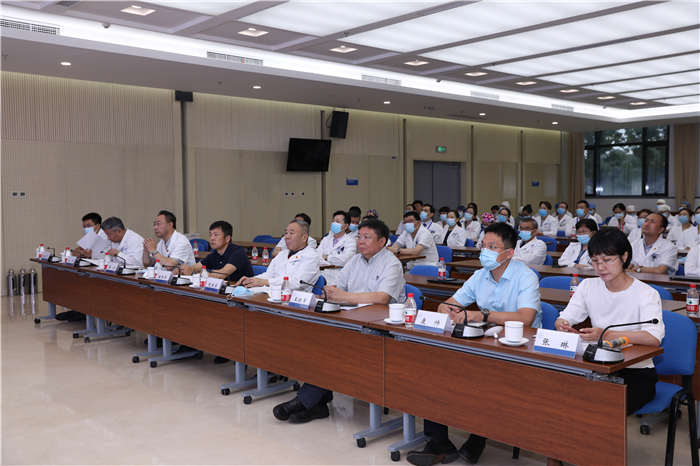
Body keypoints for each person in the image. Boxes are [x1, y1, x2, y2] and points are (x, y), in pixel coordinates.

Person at [406, 223, 541, 466]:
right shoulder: (480, 275)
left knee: (483, 380)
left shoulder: (525, 276)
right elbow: (449, 303)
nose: (484, 251)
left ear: (509, 253)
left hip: (519, 349)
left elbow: (525, 318)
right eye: (483, 245)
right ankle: (439, 443)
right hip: (483, 342)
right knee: (433, 369)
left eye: (492, 247)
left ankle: (477, 441)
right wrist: (448, 309)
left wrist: (483, 315)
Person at [272, 219, 405, 424]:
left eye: (367, 237)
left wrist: (345, 297)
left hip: (381, 329)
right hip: (351, 320)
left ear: (382, 242)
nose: (360, 241)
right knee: (318, 342)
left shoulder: (392, 264)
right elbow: (339, 287)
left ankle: (305, 401)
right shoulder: (355, 260)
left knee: (332, 349)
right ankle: (316, 403)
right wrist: (330, 292)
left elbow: (382, 298)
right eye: (359, 236)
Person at [551, 228, 664, 466]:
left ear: (624, 257)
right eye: (595, 261)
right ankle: (558, 455)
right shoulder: (588, 286)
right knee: (556, 400)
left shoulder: (646, 293)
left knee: (599, 411)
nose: (600, 267)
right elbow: (567, 316)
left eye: (607, 260)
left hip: (635, 373)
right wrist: (562, 323)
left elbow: (653, 337)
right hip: (596, 366)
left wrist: (606, 333)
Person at [238, 219, 320, 292]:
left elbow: (297, 283)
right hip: (272, 293)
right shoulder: (282, 254)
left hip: (294, 299)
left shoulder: (311, 256)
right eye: (286, 233)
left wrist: (265, 282)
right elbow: (269, 274)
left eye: (291, 233)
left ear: (304, 237)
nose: (286, 237)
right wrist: (252, 280)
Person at [179, 220, 253, 282]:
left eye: (216, 235)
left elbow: (221, 275)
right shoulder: (214, 254)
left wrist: (204, 275)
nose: (212, 238)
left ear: (227, 238)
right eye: (210, 235)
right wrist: (188, 269)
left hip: (243, 290)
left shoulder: (238, 252)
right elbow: (196, 267)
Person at [317, 210, 357, 285]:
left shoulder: (351, 241)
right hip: (322, 276)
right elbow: (317, 257)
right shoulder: (326, 239)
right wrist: (333, 262)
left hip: (339, 278)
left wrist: (326, 257)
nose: (334, 223)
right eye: (333, 221)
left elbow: (344, 260)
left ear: (346, 226)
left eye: (338, 221)